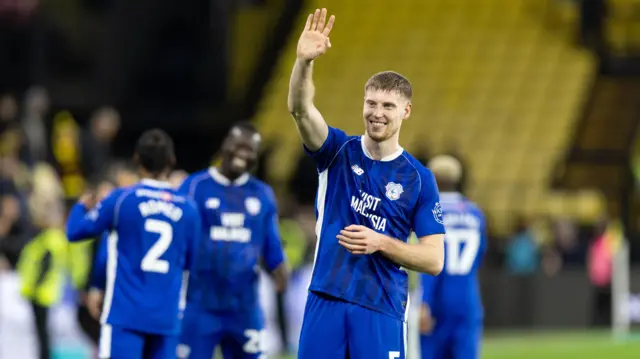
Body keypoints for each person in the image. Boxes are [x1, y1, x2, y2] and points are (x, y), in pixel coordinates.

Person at [289, 8, 446, 359]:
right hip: (325, 299)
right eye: (371, 103)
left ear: (406, 111)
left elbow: (434, 260)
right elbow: (300, 110)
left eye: (388, 105)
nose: (377, 112)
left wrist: (381, 242)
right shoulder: (336, 151)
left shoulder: (419, 179)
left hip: (381, 307)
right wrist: (303, 63)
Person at [66, 129, 202, 359]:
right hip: (166, 318)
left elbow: (75, 232)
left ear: (137, 159)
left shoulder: (121, 200)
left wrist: (81, 205)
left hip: (125, 316)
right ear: (171, 160)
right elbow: (193, 262)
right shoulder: (188, 208)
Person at [177, 122, 288, 359]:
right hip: (200, 304)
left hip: (245, 307)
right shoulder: (195, 186)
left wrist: (280, 270)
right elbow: (177, 237)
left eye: (250, 151)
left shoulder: (262, 194)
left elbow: (272, 245)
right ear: (225, 145)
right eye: (239, 146)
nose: (243, 154)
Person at [419, 155, 487, 359]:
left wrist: (424, 302)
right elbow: (480, 255)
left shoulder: (430, 212)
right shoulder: (475, 213)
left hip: (437, 300)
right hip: (468, 297)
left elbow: (427, 260)